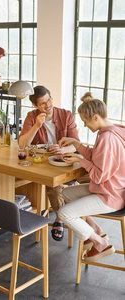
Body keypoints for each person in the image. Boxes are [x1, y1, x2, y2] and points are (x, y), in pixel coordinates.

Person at [58, 92, 125, 262]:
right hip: (111, 189)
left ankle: (101, 243)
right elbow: (96, 156)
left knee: (64, 213)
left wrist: (81, 161)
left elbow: (99, 176)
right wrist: (76, 143)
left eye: (85, 121)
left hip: (109, 195)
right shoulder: (111, 131)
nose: (85, 125)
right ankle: (95, 230)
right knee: (66, 194)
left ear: (95, 117)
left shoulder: (107, 139)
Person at [18, 85, 79, 241]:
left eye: (49, 100)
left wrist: (63, 150)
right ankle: (63, 217)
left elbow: (76, 144)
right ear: (35, 106)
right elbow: (22, 144)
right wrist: (37, 126)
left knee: (55, 185)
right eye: (42, 103)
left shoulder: (66, 115)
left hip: (65, 160)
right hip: (43, 163)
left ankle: (60, 219)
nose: (48, 105)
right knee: (51, 184)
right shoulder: (32, 117)